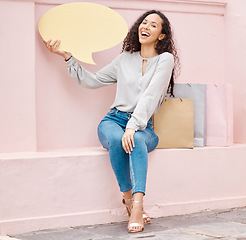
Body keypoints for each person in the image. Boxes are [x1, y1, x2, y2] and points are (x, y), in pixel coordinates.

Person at [43, 10, 178, 233]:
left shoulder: (165, 60)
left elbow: (151, 96)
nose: (146, 26)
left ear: (162, 36)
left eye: (153, 25)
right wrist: (67, 57)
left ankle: (138, 205)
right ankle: (129, 200)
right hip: (114, 120)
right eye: (144, 22)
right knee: (117, 140)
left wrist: (133, 127)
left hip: (144, 125)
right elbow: (93, 81)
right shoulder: (124, 59)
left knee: (135, 141)